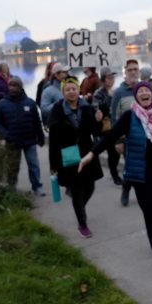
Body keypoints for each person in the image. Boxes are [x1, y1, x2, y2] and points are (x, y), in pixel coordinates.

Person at [79, 81, 152, 266]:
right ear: (136, 96)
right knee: (151, 212)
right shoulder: (129, 116)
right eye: (140, 91)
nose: (144, 93)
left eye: (147, 90)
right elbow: (110, 137)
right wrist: (92, 154)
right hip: (141, 173)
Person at [48, 76, 104, 238]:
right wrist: (54, 165)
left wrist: (98, 121)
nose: (71, 92)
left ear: (79, 90)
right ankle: (82, 223)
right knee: (78, 190)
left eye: (74, 89)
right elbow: (53, 141)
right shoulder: (57, 111)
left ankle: (80, 208)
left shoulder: (87, 108)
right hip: (69, 156)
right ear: (63, 92)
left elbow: (96, 132)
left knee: (90, 186)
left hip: (87, 153)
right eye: (68, 89)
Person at [0, 76, 46, 196]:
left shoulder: (30, 103)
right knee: (13, 166)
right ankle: (11, 187)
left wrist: (41, 136)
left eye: (15, 85)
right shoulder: (2, 104)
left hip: (29, 140)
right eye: (10, 85)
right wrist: (5, 134)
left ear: (20, 87)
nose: (12, 88)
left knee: (33, 164)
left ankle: (37, 187)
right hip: (12, 141)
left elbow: (36, 122)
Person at [110, 58, 140, 206]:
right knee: (130, 167)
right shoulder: (119, 93)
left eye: (135, 69)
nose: (133, 72)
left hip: (144, 138)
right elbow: (114, 118)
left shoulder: (145, 88)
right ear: (125, 73)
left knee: (144, 168)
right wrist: (118, 140)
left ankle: (145, 195)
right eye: (130, 70)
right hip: (127, 139)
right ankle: (126, 190)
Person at [92, 66, 122, 185]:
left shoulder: (117, 91)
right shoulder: (98, 93)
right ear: (104, 79)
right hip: (105, 127)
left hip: (116, 125)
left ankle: (114, 172)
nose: (112, 79)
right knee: (111, 152)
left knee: (117, 152)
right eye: (109, 77)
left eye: (113, 77)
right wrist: (110, 98)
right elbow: (96, 108)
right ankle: (115, 176)